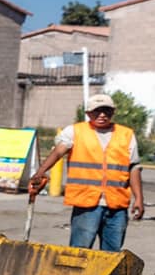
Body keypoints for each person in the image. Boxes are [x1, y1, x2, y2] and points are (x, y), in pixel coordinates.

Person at [28, 92, 144, 251]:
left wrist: (139, 199)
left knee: (112, 254)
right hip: (86, 203)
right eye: (97, 111)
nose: (102, 115)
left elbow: (134, 167)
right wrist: (40, 172)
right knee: (79, 251)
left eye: (107, 111)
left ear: (113, 112)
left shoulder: (126, 134)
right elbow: (58, 153)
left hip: (117, 204)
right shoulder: (74, 132)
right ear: (88, 113)